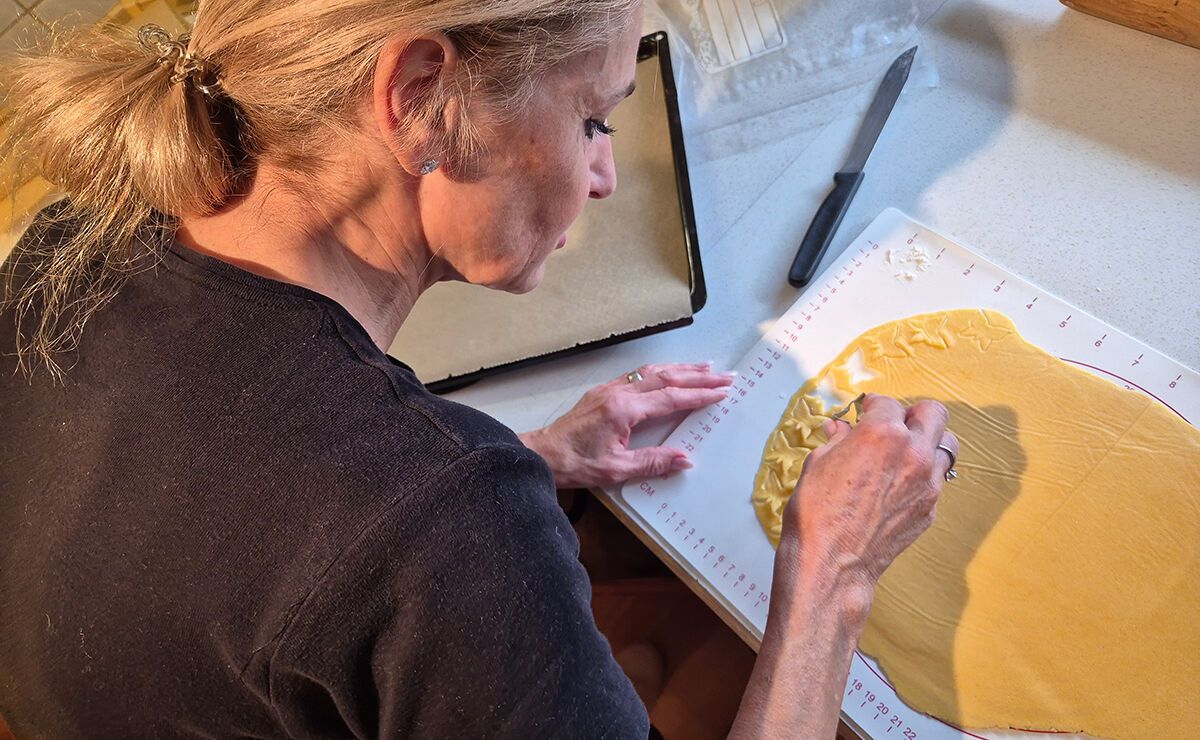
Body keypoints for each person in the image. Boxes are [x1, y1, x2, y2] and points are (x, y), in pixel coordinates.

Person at [0, 0, 958, 737]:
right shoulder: (442, 525)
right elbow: (362, 529)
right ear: (421, 98)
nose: (605, 174)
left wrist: (529, 456)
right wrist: (835, 574)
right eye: (591, 116)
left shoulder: (69, 244)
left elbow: (220, 526)